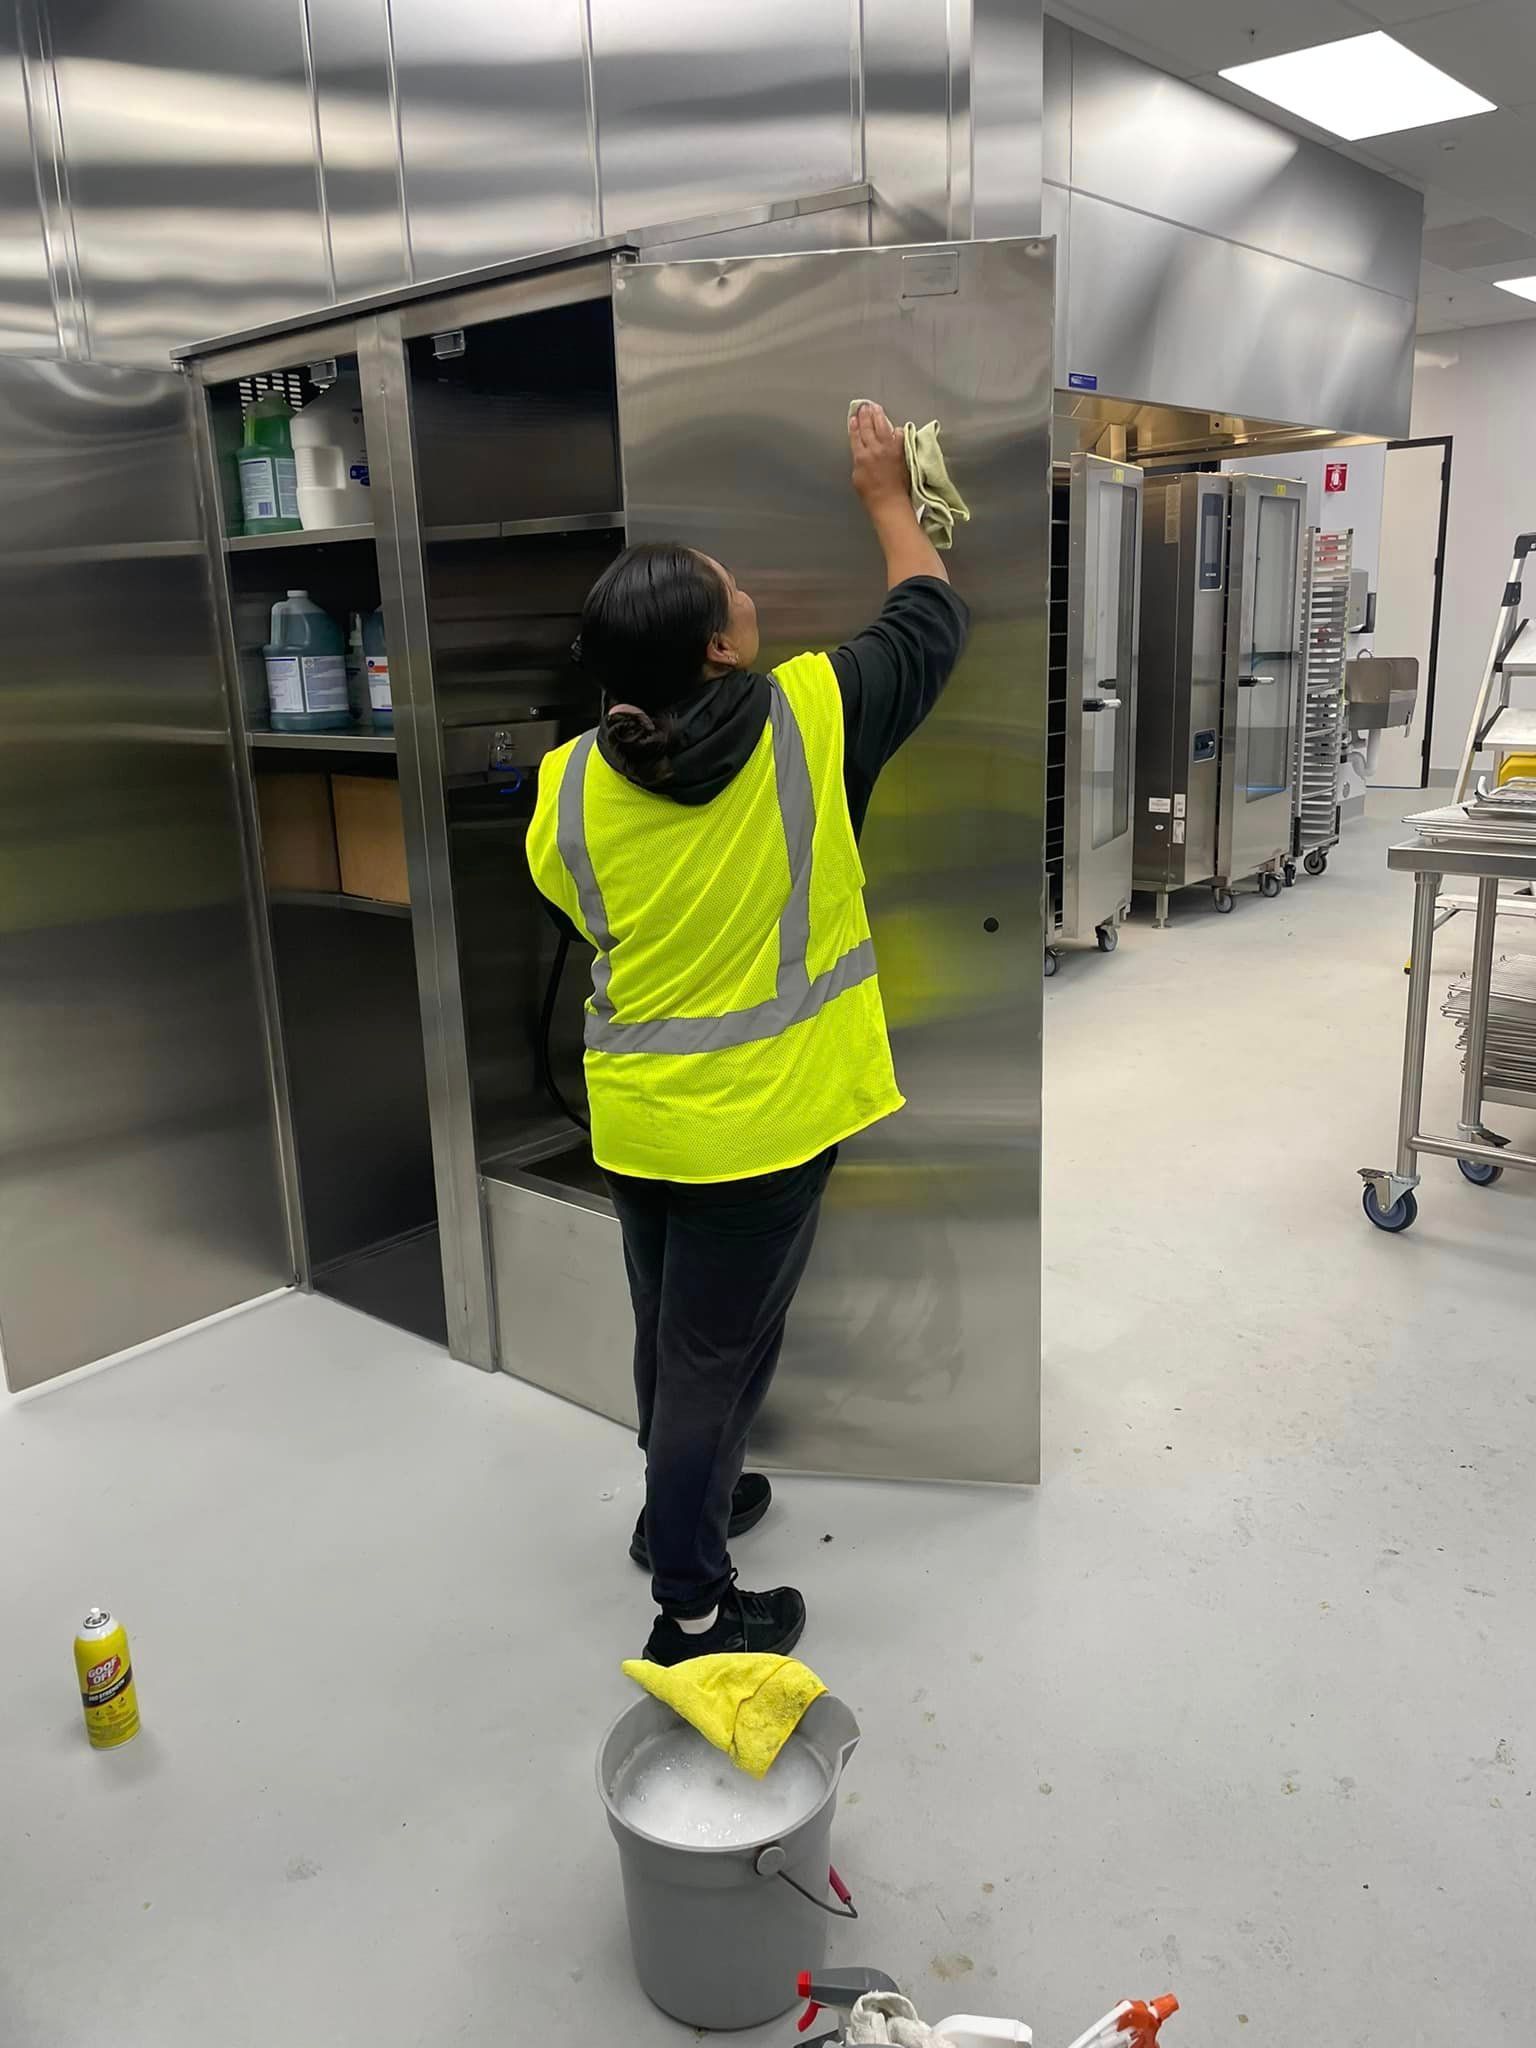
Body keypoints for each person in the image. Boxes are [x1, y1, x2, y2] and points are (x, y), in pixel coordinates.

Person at [526, 401, 969, 1665]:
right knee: (715, 1355)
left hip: (638, 1121)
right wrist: (889, 497)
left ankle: (692, 1503)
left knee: (671, 1333)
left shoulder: (563, 784)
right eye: (737, 594)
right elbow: (929, 620)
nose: (752, 595)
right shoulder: (810, 719)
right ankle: (694, 1608)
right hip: (762, 1128)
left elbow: (577, 906)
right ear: (721, 651)